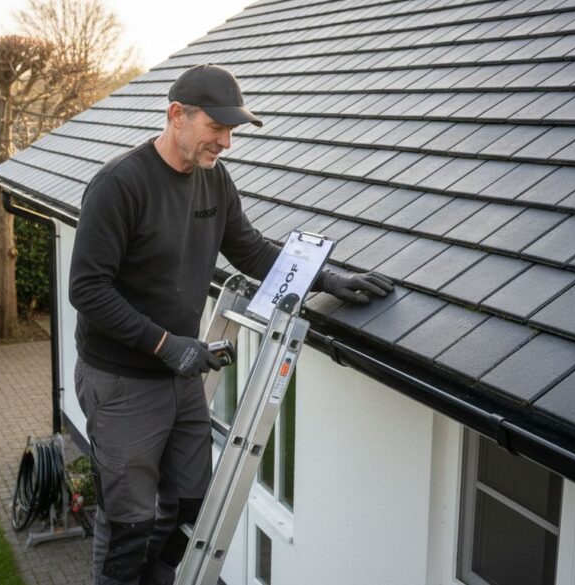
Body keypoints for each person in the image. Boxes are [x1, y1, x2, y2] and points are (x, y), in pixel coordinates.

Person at [69, 64, 394, 585]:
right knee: (128, 523)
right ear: (177, 115)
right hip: (123, 382)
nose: (226, 142)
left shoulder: (213, 180)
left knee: (192, 507)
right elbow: (87, 290)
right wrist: (165, 345)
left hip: (179, 373)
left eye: (231, 131)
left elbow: (250, 248)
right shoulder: (120, 185)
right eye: (216, 128)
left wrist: (324, 277)